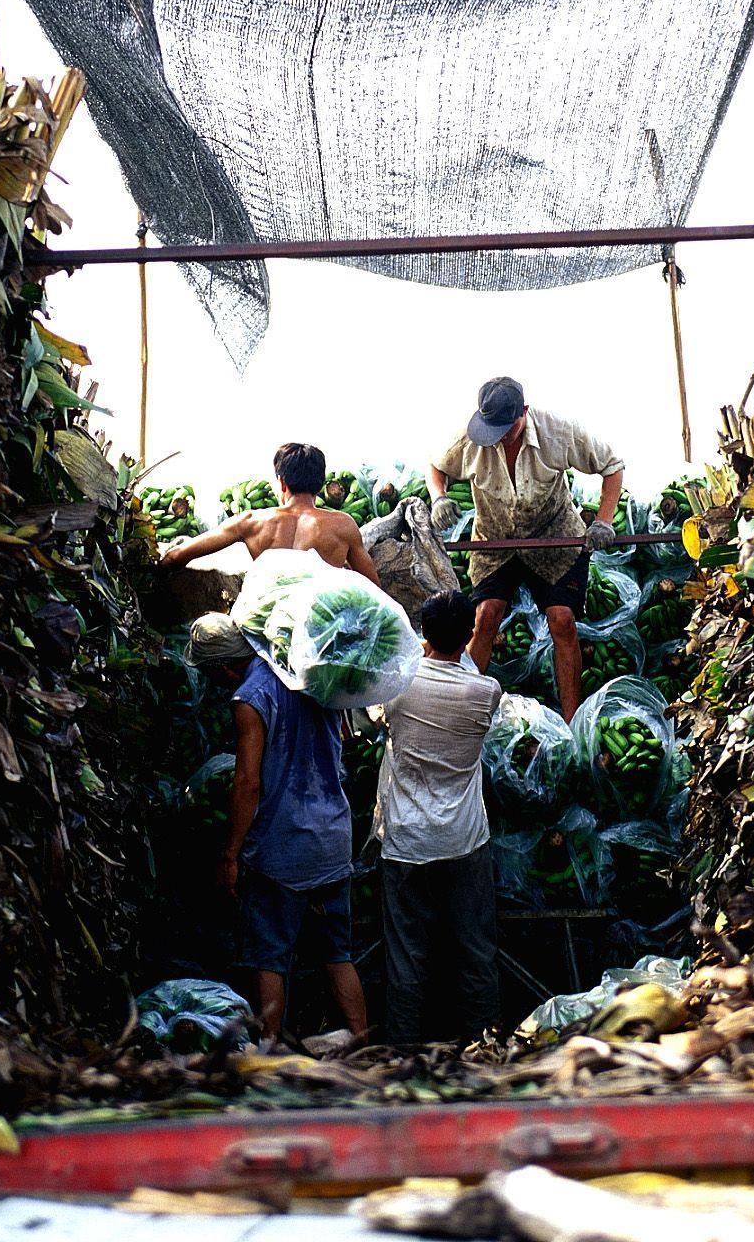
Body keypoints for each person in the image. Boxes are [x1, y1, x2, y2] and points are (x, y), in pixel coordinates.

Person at [188, 613, 368, 1045]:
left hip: (283, 845)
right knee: (336, 953)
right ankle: (364, 1040)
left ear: (224, 668)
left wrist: (230, 854)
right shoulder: (308, 673)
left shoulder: (251, 697)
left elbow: (248, 781)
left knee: (270, 956)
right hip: (332, 835)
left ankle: (268, 1049)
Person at [427, 378, 624, 722]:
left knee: (562, 620)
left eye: (509, 427)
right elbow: (437, 467)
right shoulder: (470, 440)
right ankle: (462, 710)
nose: (502, 436)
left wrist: (604, 521)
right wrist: (439, 498)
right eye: (494, 429)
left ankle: (570, 719)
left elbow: (612, 465)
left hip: (553, 539)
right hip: (496, 541)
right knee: (485, 615)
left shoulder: (558, 432)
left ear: (525, 412)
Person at [374, 591, 502, 1048]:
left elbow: (374, 716)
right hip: (464, 839)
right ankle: (483, 1045)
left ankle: (404, 1051)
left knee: (407, 957)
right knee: (475, 952)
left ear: (422, 632)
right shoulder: (484, 692)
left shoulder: (398, 685)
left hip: (406, 840)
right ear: (469, 634)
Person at [160, 442, 381, 584]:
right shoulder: (342, 525)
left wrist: (157, 571)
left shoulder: (251, 522)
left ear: (282, 483)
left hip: (268, 624)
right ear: (320, 484)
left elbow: (177, 556)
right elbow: (374, 587)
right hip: (321, 626)